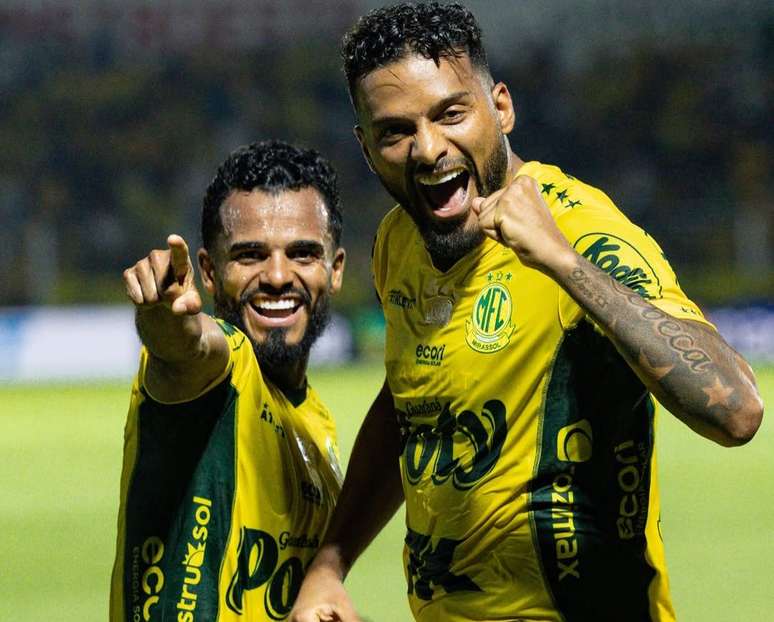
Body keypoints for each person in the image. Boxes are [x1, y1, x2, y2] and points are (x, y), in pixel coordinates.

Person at [290, 3, 765, 622]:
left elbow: (737, 410)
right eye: (395, 131)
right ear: (366, 147)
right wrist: (329, 565)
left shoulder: (584, 234)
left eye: (451, 113)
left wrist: (562, 263)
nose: (428, 149)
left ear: (502, 108)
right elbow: (411, 404)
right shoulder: (398, 243)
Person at [110, 140, 347, 621]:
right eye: (250, 255)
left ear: (335, 269)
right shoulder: (221, 372)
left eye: (302, 254)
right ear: (209, 272)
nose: (277, 276)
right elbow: (188, 348)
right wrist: (164, 317)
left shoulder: (317, 425)